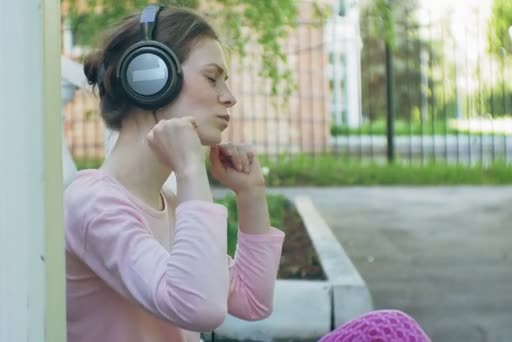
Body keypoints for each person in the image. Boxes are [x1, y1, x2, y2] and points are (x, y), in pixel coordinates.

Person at [64, 4, 432, 342]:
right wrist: (192, 170)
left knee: (388, 330)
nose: (229, 97)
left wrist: (251, 195)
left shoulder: (170, 205)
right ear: (151, 80)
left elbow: (253, 301)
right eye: (212, 78)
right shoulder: (95, 204)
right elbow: (199, 307)